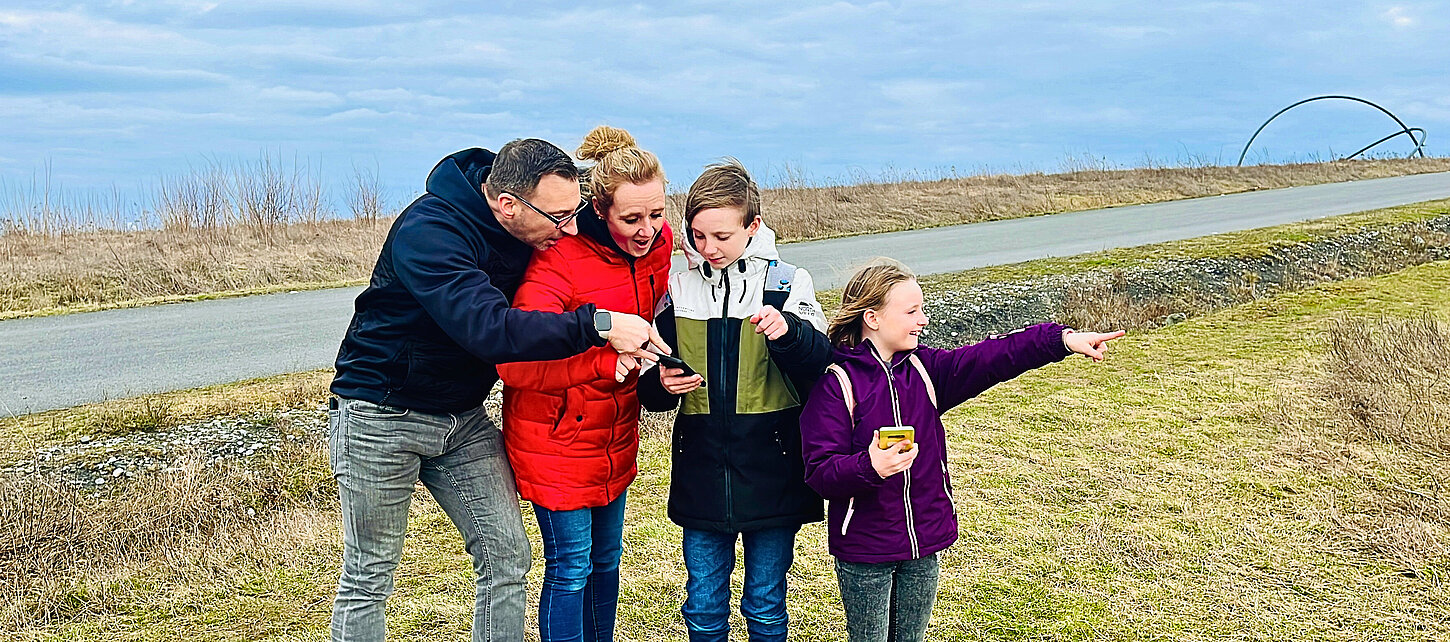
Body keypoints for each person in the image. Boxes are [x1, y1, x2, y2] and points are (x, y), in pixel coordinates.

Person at [327, 138, 668, 642]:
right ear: (508, 205)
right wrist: (598, 324)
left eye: (574, 211)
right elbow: (489, 328)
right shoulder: (431, 234)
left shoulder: (536, 212)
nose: (570, 227)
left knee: (507, 555)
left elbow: (617, 215)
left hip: (460, 417)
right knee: (370, 573)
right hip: (382, 415)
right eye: (559, 218)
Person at [797, 258, 1123, 642]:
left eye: (922, 309)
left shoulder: (927, 369)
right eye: (912, 311)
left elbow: (996, 356)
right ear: (873, 317)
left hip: (924, 543)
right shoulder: (837, 384)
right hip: (866, 551)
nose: (923, 320)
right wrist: (871, 466)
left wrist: (1061, 341)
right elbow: (820, 472)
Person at [638, 159, 831, 642]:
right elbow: (648, 385)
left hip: (774, 472)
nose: (709, 248)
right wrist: (662, 385)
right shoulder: (675, 288)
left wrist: (788, 335)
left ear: (754, 226)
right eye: (699, 236)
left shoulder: (788, 282)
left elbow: (821, 364)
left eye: (722, 236)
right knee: (703, 605)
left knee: (765, 604)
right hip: (701, 473)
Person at [495, 126, 673, 642]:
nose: (647, 230)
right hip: (556, 439)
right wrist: (600, 364)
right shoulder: (557, 261)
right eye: (631, 218)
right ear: (598, 207)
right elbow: (515, 365)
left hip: (614, 432)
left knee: (607, 562)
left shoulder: (657, 247)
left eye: (657, 214)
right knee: (570, 569)